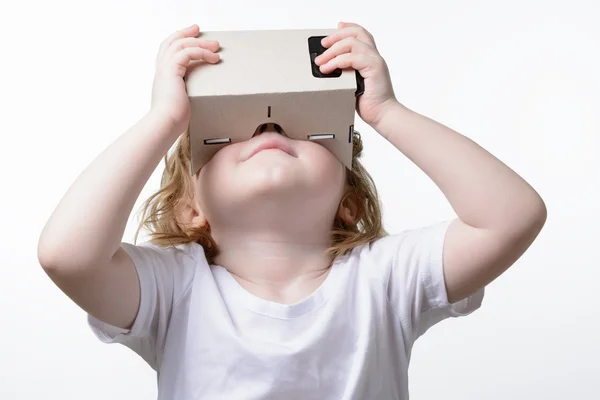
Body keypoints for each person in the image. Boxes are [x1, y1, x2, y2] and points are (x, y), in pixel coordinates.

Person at [38, 21, 547, 399]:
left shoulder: (384, 278)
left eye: (304, 130)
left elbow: (511, 215)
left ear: (348, 203)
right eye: (223, 139)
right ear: (191, 208)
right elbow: (68, 255)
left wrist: (386, 112)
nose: (268, 129)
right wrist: (165, 118)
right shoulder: (174, 290)